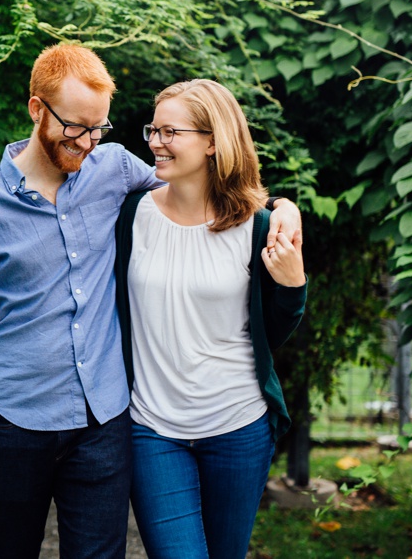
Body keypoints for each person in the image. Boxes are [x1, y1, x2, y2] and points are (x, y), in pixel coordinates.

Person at [0, 45, 301, 559]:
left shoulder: (112, 168)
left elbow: (205, 186)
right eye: (76, 127)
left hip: (105, 419)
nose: (88, 142)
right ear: (37, 110)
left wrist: (282, 206)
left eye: (99, 128)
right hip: (16, 419)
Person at [113, 79, 307, 559]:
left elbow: (275, 330)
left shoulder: (258, 225)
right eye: (153, 130)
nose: (156, 142)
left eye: (171, 132)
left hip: (238, 425)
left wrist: (293, 284)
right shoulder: (130, 215)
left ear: (215, 140)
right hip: (152, 426)